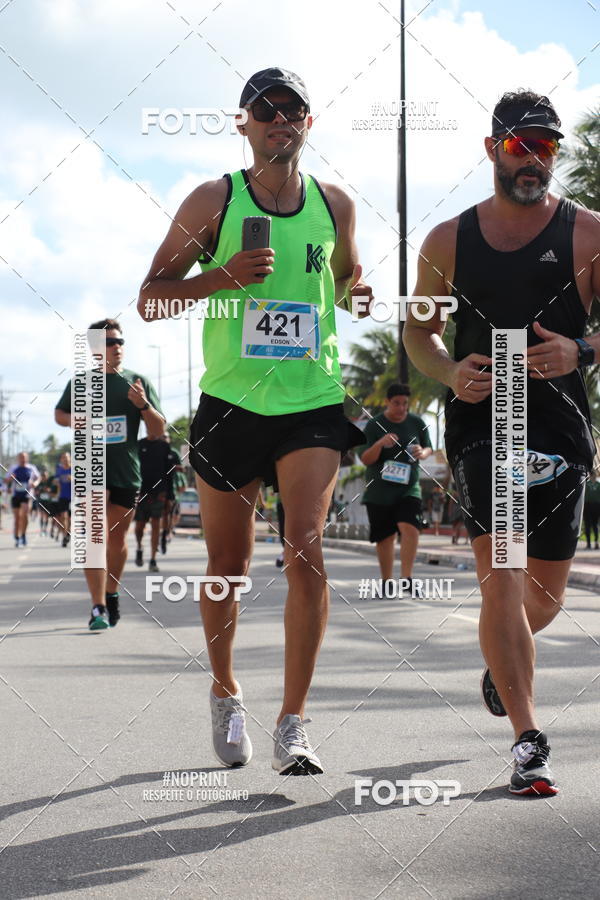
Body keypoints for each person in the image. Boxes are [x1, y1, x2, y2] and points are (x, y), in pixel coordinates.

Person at [138, 67, 372, 774]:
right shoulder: (214, 199)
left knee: (306, 549)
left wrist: (358, 296)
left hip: (311, 400)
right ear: (243, 123)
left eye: (292, 110)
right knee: (228, 566)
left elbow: (346, 278)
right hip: (232, 403)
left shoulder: (335, 203)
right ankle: (225, 690)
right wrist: (222, 276)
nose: (280, 120)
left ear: (308, 122)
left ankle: (293, 722)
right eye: (265, 110)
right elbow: (151, 298)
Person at [403, 90, 599, 795]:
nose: (534, 159)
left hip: (561, 423)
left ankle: (500, 663)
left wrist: (581, 349)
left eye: (546, 146)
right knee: (504, 576)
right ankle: (527, 740)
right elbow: (418, 331)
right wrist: (448, 370)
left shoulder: (588, 234)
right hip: (487, 418)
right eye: (520, 145)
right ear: (492, 149)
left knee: (542, 597)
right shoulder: (447, 240)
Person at [55, 319, 164, 629]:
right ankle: (98, 607)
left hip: (126, 472)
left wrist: (143, 406)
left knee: (116, 541)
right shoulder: (80, 383)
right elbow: (59, 414)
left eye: (120, 342)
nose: (117, 347)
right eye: (110, 342)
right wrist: (76, 419)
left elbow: (157, 431)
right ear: (95, 349)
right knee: (94, 538)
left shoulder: (137, 382)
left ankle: (112, 592)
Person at [359, 384, 433, 592]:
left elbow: (429, 448)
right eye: (396, 403)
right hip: (379, 492)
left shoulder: (417, 423)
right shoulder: (374, 425)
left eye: (405, 404)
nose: (401, 408)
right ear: (387, 402)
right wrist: (380, 444)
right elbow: (365, 458)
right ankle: (386, 581)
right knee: (386, 537)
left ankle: (407, 578)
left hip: (409, 489)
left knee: (410, 528)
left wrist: (422, 452)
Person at [134, 433, 173, 572]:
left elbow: (170, 472)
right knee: (139, 527)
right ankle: (139, 547)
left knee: (156, 524)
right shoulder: (139, 445)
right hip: (142, 492)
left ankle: (153, 559)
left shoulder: (164, 447)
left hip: (160, 492)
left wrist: (170, 496)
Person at [5, 452, 40, 547]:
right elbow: (6, 480)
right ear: (18, 458)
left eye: (24, 457)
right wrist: (11, 478)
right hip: (16, 495)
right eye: (21, 457)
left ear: (27, 458)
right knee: (17, 518)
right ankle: (17, 537)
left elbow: (38, 478)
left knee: (25, 516)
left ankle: (23, 535)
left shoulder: (31, 468)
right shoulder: (13, 468)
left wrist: (35, 483)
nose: (22, 459)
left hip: (27, 495)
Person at [159, 433, 184, 555]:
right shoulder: (155, 450)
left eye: (166, 437)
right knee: (158, 514)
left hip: (170, 487)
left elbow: (182, 469)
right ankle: (160, 534)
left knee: (167, 513)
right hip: (155, 487)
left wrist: (171, 467)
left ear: (169, 439)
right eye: (162, 437)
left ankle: (165, 534)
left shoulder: (174, 453)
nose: (164, 439)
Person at [54, 452, 72, 548]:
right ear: (61, 460)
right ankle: (65, 536)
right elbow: (56, 480)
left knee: (71, 518)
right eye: (63, 458)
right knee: (64, 517)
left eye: (67, 457)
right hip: (62, 496)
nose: (65, 459)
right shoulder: (59, 470)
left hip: (74, 497)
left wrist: (72, 479)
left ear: (70, 458)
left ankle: (68, 532)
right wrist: (56, 482)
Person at [582, 471, 600, 550]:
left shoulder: (598, 485)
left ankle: (596, 542)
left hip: (596, 506)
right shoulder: (586, 484)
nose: (594, 477)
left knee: (595, 525)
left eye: (595, 475)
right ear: (590, 476)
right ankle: (588, 543)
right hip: (587, 506)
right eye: (593, 475)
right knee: (587, 525)